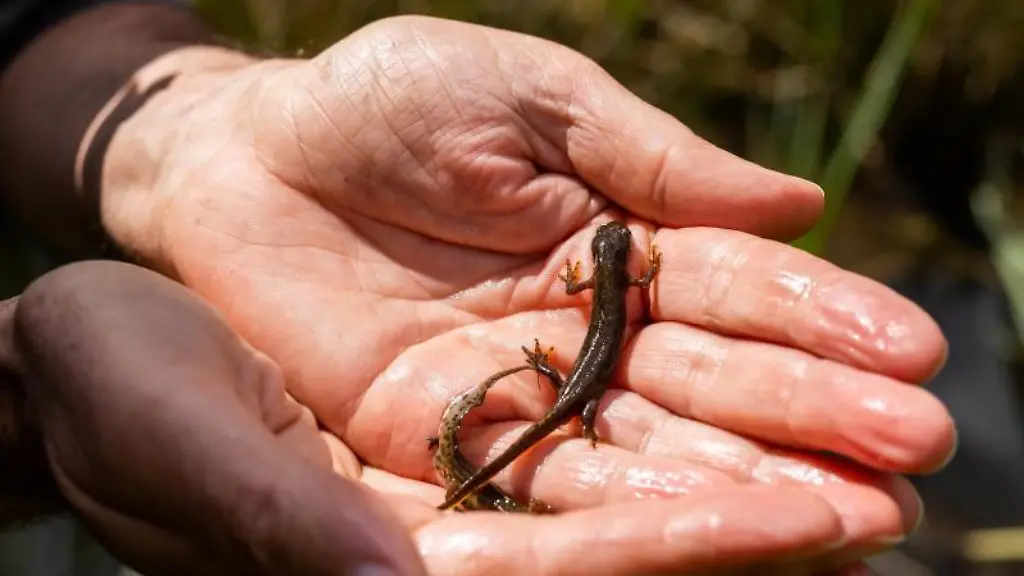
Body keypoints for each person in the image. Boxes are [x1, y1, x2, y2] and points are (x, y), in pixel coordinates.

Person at [0, 1, 958, 574]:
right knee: (574, 404)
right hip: (584, 385)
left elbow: (42, 19)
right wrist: (24, 402)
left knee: (573, 399)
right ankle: (515, 455)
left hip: (582, 381)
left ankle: (514, 453)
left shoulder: (600, 277)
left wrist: (190, 123)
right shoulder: (626, 273)